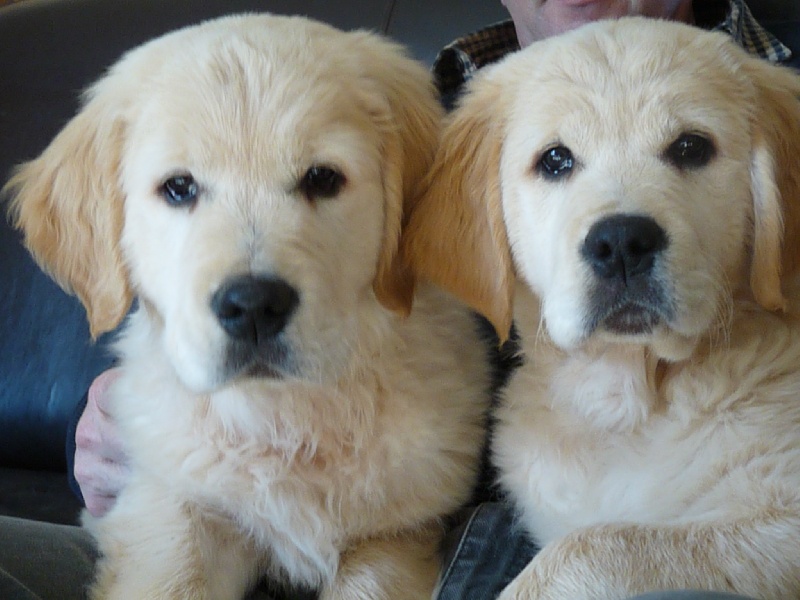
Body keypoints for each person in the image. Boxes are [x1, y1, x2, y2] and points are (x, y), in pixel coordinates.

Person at [3, 1, 792, 599]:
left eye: (691, 148)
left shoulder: (768, 89)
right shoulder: (434, 102)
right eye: (555, 162)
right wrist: (122, 427)